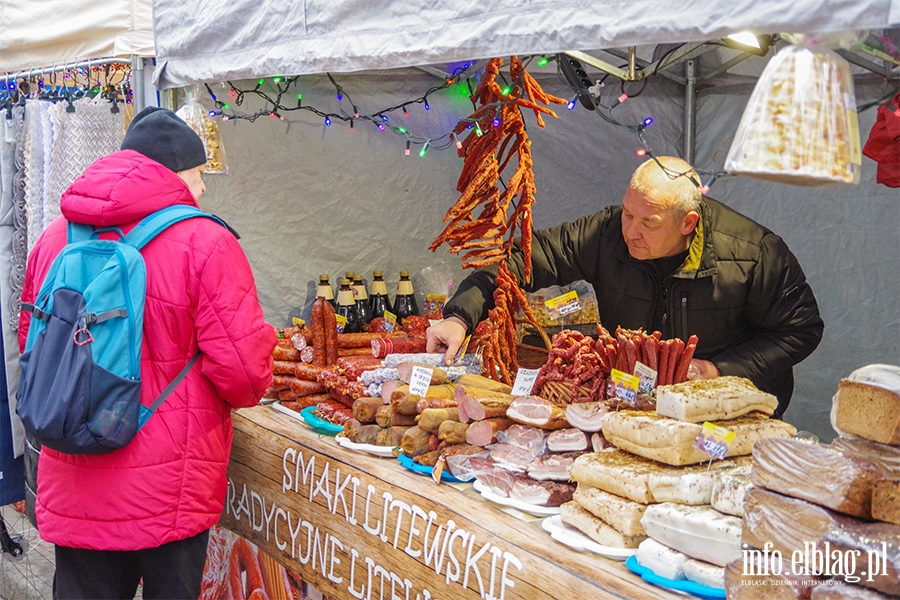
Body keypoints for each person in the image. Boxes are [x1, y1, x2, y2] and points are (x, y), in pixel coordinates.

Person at [18, 107, 277, 599]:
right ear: (174, 174)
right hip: (168, 492)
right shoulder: (207, 241)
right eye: (199, 176)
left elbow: (30, 340)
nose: (202, 190)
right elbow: (245, 378)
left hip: (75, 482)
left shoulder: (55, 237)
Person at [427, 156, 823, 416]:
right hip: (636, 403)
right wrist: (460, 316)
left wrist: (716, 368)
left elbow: (799, 331)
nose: (631, 231)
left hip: (726, 412)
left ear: (688, 222)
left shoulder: (754, 253)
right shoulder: (606, 233)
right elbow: (518, 261)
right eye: (628, 213)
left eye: (648, 223)